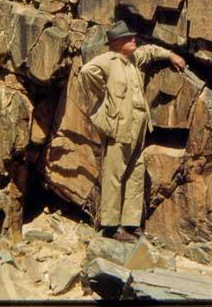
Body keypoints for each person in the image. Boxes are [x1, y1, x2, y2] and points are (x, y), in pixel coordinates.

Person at [78, 20, 186, 242]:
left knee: (135, 174)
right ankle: (110, 226)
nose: (133, 40)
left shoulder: (135, 59)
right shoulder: (109, 61)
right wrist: (106, 99)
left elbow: (151, 51)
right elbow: (87, 72)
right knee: (114, 175)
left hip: (138, 127)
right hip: (119, 127)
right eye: (128, 38)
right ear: (117, 43)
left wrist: (170, 55)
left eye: (133, 37)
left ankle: (130, 223)